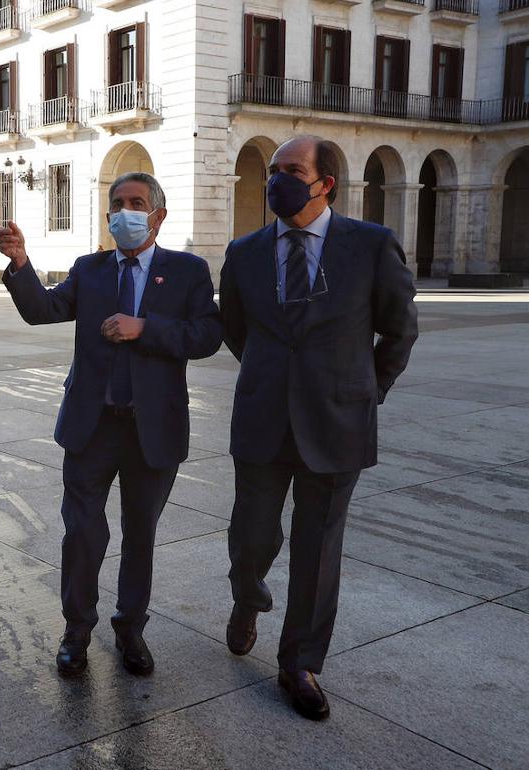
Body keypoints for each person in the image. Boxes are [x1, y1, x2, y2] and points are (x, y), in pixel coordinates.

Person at [0, 170, 222, 679]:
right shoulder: (90, 269)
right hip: (92, 428)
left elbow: (207, 336)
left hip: (152, 428)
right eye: (118, 203)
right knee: (83, 533)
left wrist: (146, 329)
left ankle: (130, 627)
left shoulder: (187, 271)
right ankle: (77, 629)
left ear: (158, 215)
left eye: (137, 202)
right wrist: (20, 263)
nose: (125, 211)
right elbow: (42, 310)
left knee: (142, 534)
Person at [220, 135, 418, 720]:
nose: (276, 179)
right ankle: (247, 598)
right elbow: (236, 329)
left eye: (291, 170)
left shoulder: (372, 246)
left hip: (338, 424)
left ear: (324, 183)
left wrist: (365, 393)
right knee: (252, 534)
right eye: (273, 170)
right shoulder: (245, 251)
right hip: (262, 419)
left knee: (319, 546)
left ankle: (300, 663)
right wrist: (270, 380)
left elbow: (399, 331)